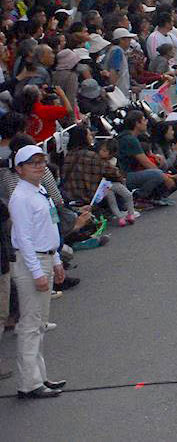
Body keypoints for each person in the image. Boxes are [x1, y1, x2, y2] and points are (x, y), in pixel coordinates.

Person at [8, 144, 68, 398]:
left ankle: (39, 377)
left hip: (44, 257)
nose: (39, 167)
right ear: (19, 169)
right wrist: (37, 272)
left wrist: (55, 260)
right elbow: (23, 238)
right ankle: (29, 383)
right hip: (31, 260)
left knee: (39, 324)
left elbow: (47, 230)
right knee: (31, 324)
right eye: (32, 163)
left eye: (41, 162)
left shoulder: (39, 190)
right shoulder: (20, 197)